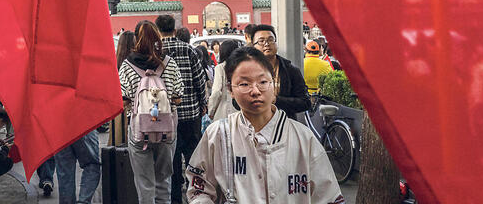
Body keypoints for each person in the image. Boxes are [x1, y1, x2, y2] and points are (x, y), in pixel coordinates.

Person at [185, 47, 343, 204]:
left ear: (273, 84)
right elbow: (199, 188)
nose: (255, 91)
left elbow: (328, 196)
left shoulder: (303, 138)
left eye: (262, 82)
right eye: (244, 84)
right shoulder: (218, 135)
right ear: (230, 89)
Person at [119, 21, 184, 204]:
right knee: (163, 179)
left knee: (144, 182)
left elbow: (123, 100)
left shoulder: (127, 65)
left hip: (140, 129)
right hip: (167, 129)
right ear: (157, 37)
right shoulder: (169, 63)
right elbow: (178, 98)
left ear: (136, 38)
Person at [155, 15, 209, 204]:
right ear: (174, 30)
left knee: (172, 159)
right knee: (193, 156)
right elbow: (199, 79)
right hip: (191, 113)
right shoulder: (189, 49)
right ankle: (195, 195)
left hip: (166, 116)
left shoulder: (155, 51)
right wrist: (204, 103)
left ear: (158, 30)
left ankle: (175, 198)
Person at [248, 25, 310, 119]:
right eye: (261, 41)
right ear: (253, 46)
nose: (267, 44)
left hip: (284, 125)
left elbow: (305, 103)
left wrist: (276, 100)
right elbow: (236, 102)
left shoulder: (291, 70)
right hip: (254, 126)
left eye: (270, 40)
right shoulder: (247, 70)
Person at [55, 130, 101, 204]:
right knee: (91, 165)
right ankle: (83, 200)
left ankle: (67, 201)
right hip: (83, 126)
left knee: (65, 172)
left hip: (59, 131)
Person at [206, 40, 242, 121]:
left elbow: (216, 92)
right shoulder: (241, 67)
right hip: (239, 112)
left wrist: (211, 111)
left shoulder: (221, 68)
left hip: (223, 113)